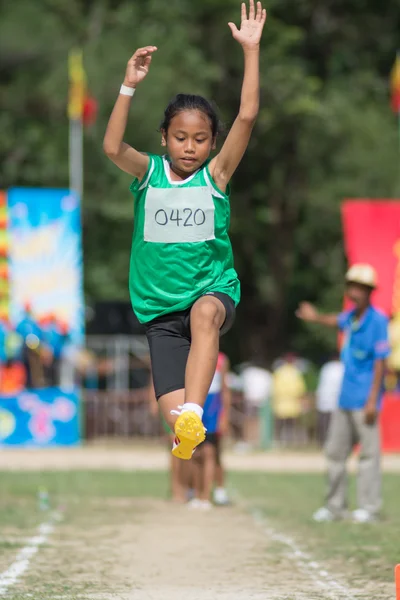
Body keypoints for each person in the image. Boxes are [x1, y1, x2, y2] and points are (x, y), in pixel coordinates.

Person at [103, 0, 267, 460]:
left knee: (204, 315)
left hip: (210, 292)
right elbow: (112, 146)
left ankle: (195, 408)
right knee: (172, 421)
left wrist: (251, 51)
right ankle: (186, 419)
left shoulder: (215, 177)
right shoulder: (148, 174)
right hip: (158, 309)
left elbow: (248, 115)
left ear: (213, 143)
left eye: (200, 139)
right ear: (164, 137)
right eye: (180, 138)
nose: (190, 147)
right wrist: (128, 85)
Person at [296, 264, 390, 523]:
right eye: (351, 286)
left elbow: (381, 362)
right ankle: (334, 506)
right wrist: (314, 317)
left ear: (369, 291)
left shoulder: (377, 320)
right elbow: (334, 320)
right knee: (335, 452)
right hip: (345, 397)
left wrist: (373, 400)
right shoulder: (352, 317)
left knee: (369, 456)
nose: (354, 291)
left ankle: (368, 508)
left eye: (359, 287)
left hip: (365, 400)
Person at [190, 352, 231, 509]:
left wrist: (224, 416)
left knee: (210, 452)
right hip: (196, 405)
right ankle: (196, 493)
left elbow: (225, 389)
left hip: (212, 408)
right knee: (195, 453)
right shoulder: (190, 353)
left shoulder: (221, 360)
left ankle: (206, 496)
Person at [271, 354, 306, 445]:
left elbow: (274, 387)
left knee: (280, 423)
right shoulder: (296, 372)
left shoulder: (279, 371)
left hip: (280, 402)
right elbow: (300, 389)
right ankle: (290, 441)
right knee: (291, 424)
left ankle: (278, 440)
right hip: (292, 402)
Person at [315, 354, 344, 445]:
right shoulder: (342, 367)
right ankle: (333, 442)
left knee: (324, 423)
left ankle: (323, 442)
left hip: (325, 399)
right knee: (335, 424)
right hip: (336, 400)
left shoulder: (326, 367)